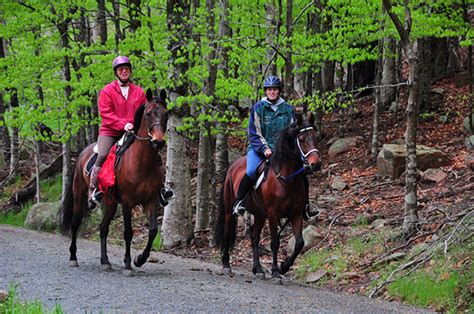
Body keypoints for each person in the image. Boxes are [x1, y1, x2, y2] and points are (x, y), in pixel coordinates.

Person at [88, 56, 175, 209]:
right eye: (121, 69)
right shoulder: (107, 91)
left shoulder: (139, 92)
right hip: (111, 131)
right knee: (102, 154)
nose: (124, 71)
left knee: (154, 155)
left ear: (130, 71)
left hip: (133, 131)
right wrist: (123, 124)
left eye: (126, 68)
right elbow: (106, 113)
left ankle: (161, 189)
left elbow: (145, 112)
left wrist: (140, 127)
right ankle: (93, 190)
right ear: (116, 72)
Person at [232, 75, 313, 221]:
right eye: (269, 90)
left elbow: (293, 131)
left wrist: (287, 149)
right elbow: (254, 132)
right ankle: (240, 201)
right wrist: (265, 149)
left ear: (279, 91)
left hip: (282, 152)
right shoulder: (258, 108)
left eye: (274, 89)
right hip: (259, 149)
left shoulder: (288, 109)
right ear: (266, 91)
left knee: (302, 172)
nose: (272, 92)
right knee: (250, 170)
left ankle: (305, 206)